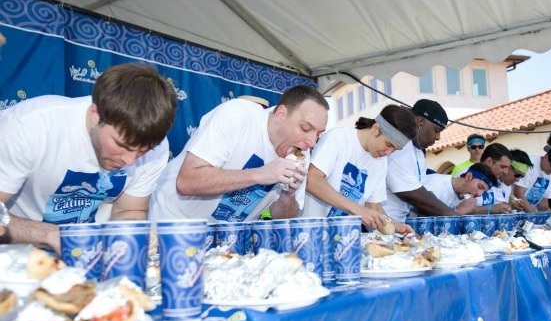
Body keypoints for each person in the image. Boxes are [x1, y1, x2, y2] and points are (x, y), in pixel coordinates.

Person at [0, 63, 178, 252]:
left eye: (143, 151)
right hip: (14, 259)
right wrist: (50, 235)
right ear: (95, 115)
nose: (130, 161)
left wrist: (132, 232)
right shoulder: (28, 127)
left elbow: (128, 210)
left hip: (89, 259)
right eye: (121, 145)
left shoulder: (157, 148)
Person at [149, 85, 329, 222]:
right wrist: (260, 174)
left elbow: (282, 218)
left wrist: (288, 195)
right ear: (281, 114)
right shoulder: (237, 115)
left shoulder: (301, 154)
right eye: (306, 128)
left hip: (222, 245)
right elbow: (187, 181)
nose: (311, 143)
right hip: (169, 227)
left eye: (318, 134)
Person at [303, 105, 415, 232]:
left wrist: (395, 226)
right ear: (376, 128)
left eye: (395, 149)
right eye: (388, 144)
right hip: (311, 231)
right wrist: (358, 210)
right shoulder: (338, 138)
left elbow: (374, 207)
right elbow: (312, 180)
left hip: (344, 237)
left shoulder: (380, 162)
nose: (389, 153)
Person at [384, 99, 476, 220]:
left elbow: (422, 192)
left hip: (398, 226)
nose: (438, 137)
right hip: (378, 227)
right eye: (436, 130)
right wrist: (452, 214)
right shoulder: (398, 148)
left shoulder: (417, 152)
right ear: (420, 122)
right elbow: (413, 193)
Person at [424, 163, 498, 212]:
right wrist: (459, 212)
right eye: (480, 187)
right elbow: (425, 221)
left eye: (484, 192)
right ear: (468, 177)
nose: (480, 194)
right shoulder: (436, 187)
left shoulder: (463, 195)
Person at [513, 147, 551, 212]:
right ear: (546, 157)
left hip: (530, 213)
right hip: (514, 211)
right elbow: (518, 193)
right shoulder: (530, 163)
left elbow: (543, 201)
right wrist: (533, 214)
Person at [470, 143, 514, 214]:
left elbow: (500, 207)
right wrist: (490, 209)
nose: (506, 172)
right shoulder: (471, 176)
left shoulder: (498, 182)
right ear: (489, 161)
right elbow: (460, 210)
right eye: (503, 167)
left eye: (507, 168)